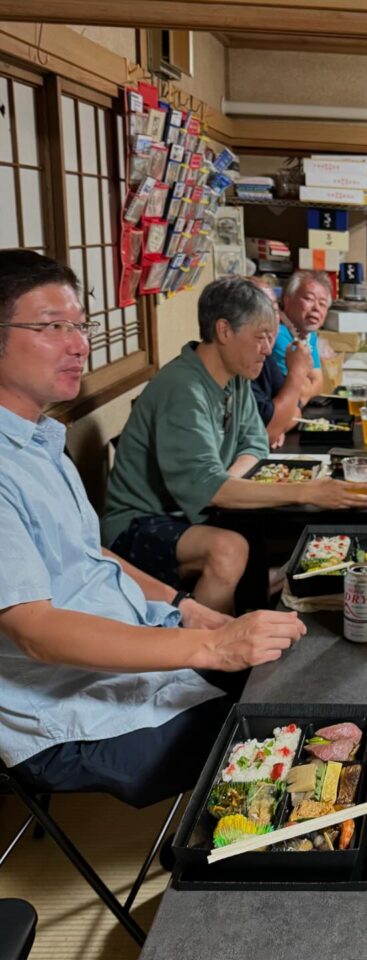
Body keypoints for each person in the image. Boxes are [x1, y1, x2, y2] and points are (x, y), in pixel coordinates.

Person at [0, 249, 305, 807]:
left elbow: (91, 555)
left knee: (293, 673)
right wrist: (210, 645)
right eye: (51, 327)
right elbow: (35, 632)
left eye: (80, 326)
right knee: (287, 721)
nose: (78, 344)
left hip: (123, 654)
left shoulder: (40, 441)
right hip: (69, 712)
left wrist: (186, 609)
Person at [103, 277, 367, 613]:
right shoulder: (184, 390)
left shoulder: (236, 378)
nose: (268, 349)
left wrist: (226, 484)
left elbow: (256, 443)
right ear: (224, 331)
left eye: (271, 337)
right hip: (138, 522)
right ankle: (207, 643)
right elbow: (209, 489)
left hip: (190, 509)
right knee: (228, 550)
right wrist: (305, 491)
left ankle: (252, 617)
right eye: (261, 337)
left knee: (254, 526)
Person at [249, 278, 313, 448]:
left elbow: (294, 405)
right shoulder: (239, 364)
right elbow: (268, 430)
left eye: (274, 311)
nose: (271, 321)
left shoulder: (265, 354)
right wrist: (298, 371)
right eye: (261, 311)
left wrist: (280, 422)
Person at [271, 271, 334, 402]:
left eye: (322, 304)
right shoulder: (276, 334)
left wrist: (309, 386)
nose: (316, 308)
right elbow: (300, 393)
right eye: (309, 299)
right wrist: (308, 385)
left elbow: (318, 383)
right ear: (287, 300)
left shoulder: (309, 334)